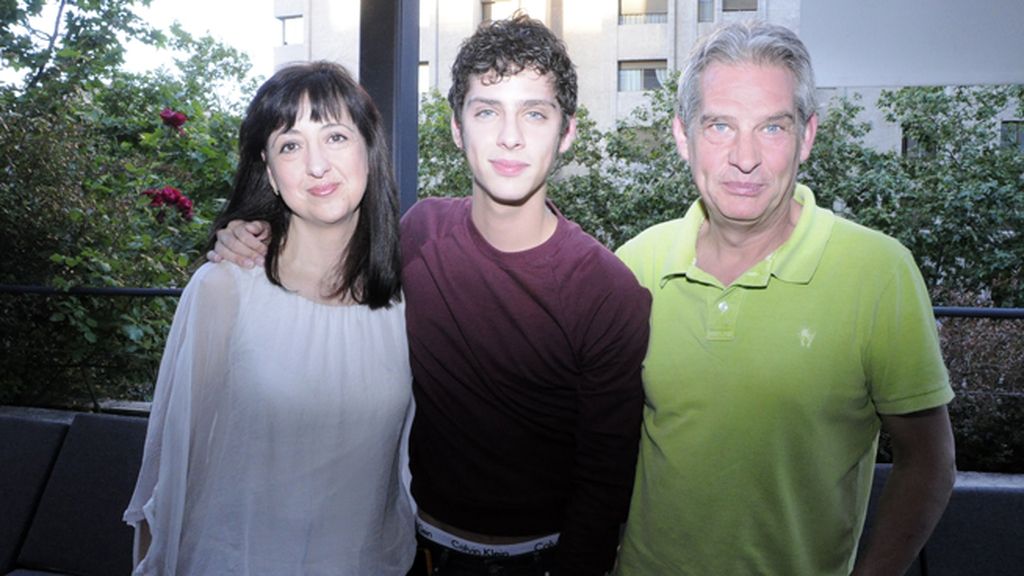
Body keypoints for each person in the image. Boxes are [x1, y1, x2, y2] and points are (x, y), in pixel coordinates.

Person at [210, 13, 651, 576]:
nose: (509, 136)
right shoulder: (418, 234)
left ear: (567, 132)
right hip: (405, 548)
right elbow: (326, 259)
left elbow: (605, 482)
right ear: (456, 128)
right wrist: (249, 231)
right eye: (487, 111)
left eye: (534, 113)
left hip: (539, 561)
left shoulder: (608, 291)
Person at [612, 21, 956, 575]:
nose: (744, 157)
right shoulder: (633, 266)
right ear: (683, 136)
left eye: (772, 128)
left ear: (807, 137)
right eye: (720, 125)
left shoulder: (878, 272)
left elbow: (929, 460)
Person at [124, 61, 415, 575]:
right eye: (290, 145)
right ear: (269, 169)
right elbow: (165, 474)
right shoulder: (224, 289)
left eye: (336, 137)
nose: (317, 165)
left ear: (369, 150)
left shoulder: (408, 303)